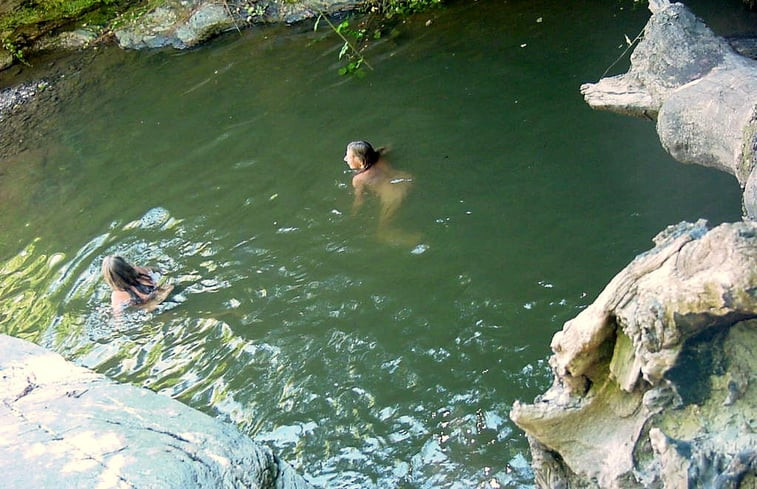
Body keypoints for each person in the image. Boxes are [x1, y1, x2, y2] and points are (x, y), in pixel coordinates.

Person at [344, 140, 414, 229]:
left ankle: (416, 239)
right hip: (405, 182)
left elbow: (360, 200)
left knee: (383, 229)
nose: (345, 159)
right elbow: (386, 148)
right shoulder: (379, 157)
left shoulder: (359, 179)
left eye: (349, 156)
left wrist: (353, 213)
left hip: (392, 197)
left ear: (359, 159)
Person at [101, 255, 173, 313]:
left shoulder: (117, 295)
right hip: (164, 292)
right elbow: (158, 270)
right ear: (126, 265)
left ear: (109, 279)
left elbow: (118, 318)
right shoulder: (140, 270)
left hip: (151, 308)